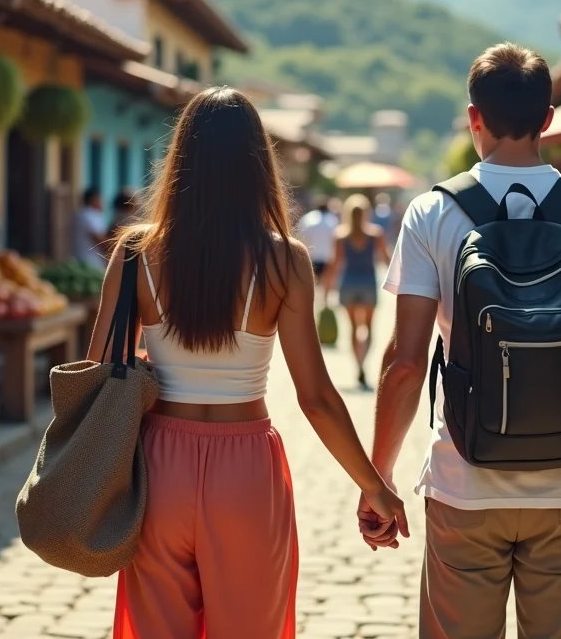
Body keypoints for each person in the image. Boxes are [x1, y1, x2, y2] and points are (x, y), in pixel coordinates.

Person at [90, 87, 407, 638]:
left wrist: (155, 359)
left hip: (158, 468)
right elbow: (316, 398)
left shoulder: (136, 252)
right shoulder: (284, 259)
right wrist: (373, 484)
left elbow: (100, 369)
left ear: (180, 159)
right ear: (257, 165)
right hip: (247, 471)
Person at [361, 43, 561, 638]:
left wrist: (378, 477)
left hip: (463, 481)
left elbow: (406, 364)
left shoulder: (431, 213)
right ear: (548, 118)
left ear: (474, 117)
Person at [324, 194, 390, 390]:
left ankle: (358, 365)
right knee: (369, 327)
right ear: (366, 213)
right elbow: (386, 260)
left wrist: (326, 290)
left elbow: (335, 264)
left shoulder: (340, 236)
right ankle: (364, 362)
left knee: (353, 327)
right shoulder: (375, 234)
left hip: (348, 285)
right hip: (368, 283)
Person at [296, 198, 339, 280]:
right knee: (326, 283)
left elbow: (300, 236)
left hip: (311, 257)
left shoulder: (307, 219)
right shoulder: (333, 220)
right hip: (328, 258)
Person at [72, 188, 107, 268]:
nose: (102, 203)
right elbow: (99, 240)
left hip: (94, 262)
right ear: (93, 200)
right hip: (88, 262)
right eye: (100, 200)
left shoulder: (95, 215)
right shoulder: (87, 215)